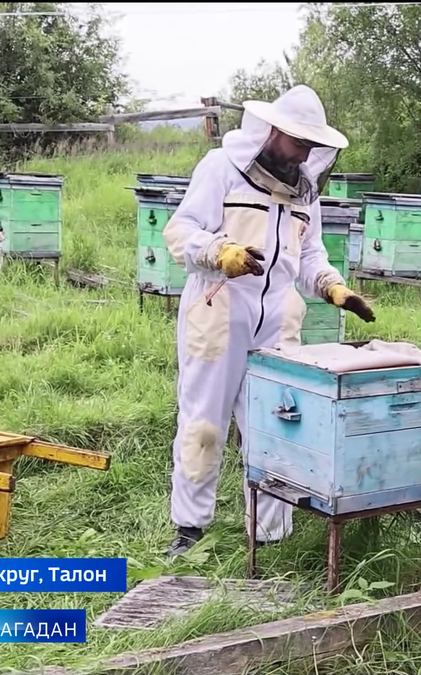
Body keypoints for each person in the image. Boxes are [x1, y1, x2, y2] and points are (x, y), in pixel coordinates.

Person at [160, 85, 376, 558]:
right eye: (298, 142)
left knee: (279, 428)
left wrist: (334, 288)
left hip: (278, 323)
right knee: (204, 425)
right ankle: (190, 530)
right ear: (273, 132)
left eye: (311, 147)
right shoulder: (222, 169)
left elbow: (310, 255)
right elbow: (180, 232)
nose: (305, 154)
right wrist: (221, 252)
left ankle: (271, 536)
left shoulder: (304, 192)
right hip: (218, 316)